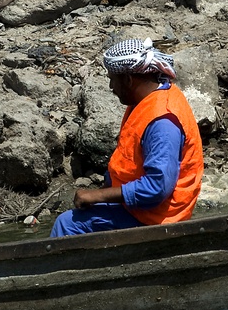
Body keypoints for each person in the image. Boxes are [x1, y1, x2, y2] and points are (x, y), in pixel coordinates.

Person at [50, 38, 203, 237]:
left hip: (158, 217)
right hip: (144, 209)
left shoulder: (162, 122)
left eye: (112, 79)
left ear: (129, 80)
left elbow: (157, 188)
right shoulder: (147, 100)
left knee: (68, 224)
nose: (111, 87)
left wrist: (98, 196)